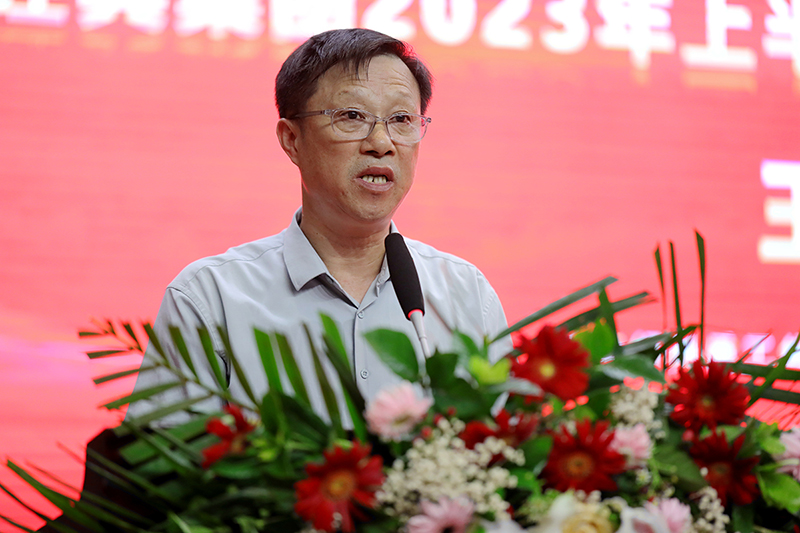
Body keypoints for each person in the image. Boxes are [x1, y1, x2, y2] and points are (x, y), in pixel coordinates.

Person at [125, 28, 509, 422]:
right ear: (292, 139)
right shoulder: (212, 298)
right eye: (352, 116)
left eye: (401, 119)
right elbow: (161, 458)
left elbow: (510, 446)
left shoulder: (466, 295)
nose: (381, 143)